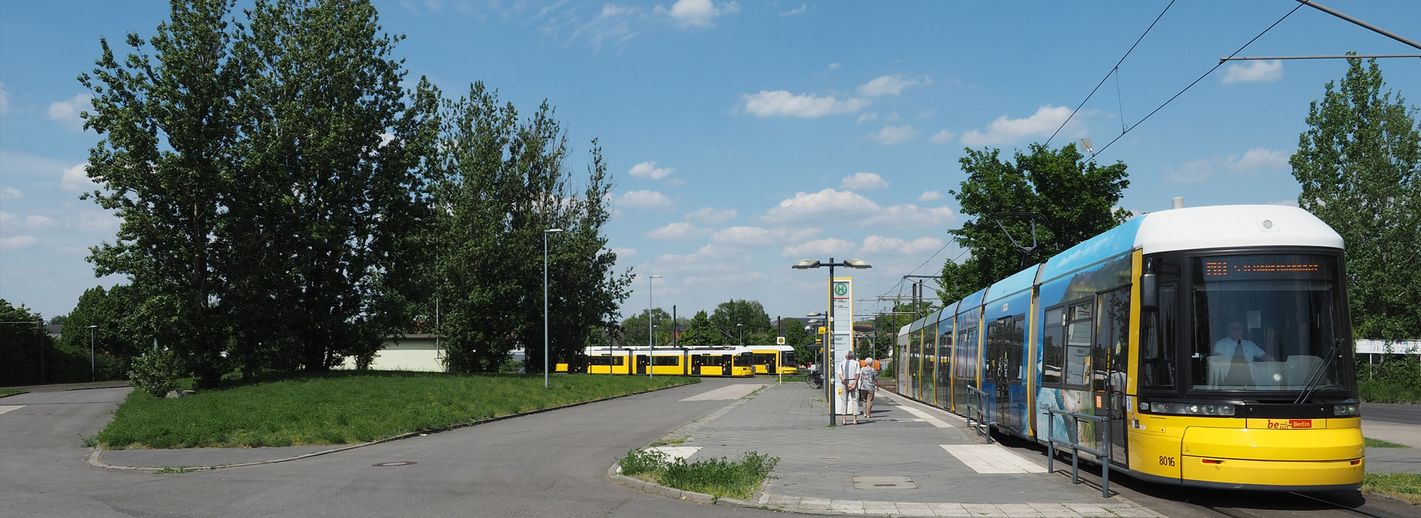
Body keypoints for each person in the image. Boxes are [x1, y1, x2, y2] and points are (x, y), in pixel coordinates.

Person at [838, 350, 861, 425]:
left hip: (845, 382)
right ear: (852, 356)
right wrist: (854, 384)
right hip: (853, 381)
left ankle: (844, 419)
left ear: (845, 356)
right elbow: (857, 374)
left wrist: (846, 384)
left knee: (844, 401)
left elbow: (840, 375)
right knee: (855, 400)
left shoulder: (842, 363)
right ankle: (855, 419)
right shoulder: (856, 363)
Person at [859, 356, 877, 420]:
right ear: (871, 363)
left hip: (863, 387)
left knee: (864, 401)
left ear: (866, 362)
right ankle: (868, 414)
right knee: (870, 401)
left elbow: (860, 378)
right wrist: (877, 386)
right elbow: (875, 379)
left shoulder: (862, 369)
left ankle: (864, 413)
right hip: (871, 387)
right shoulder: (873, 370)